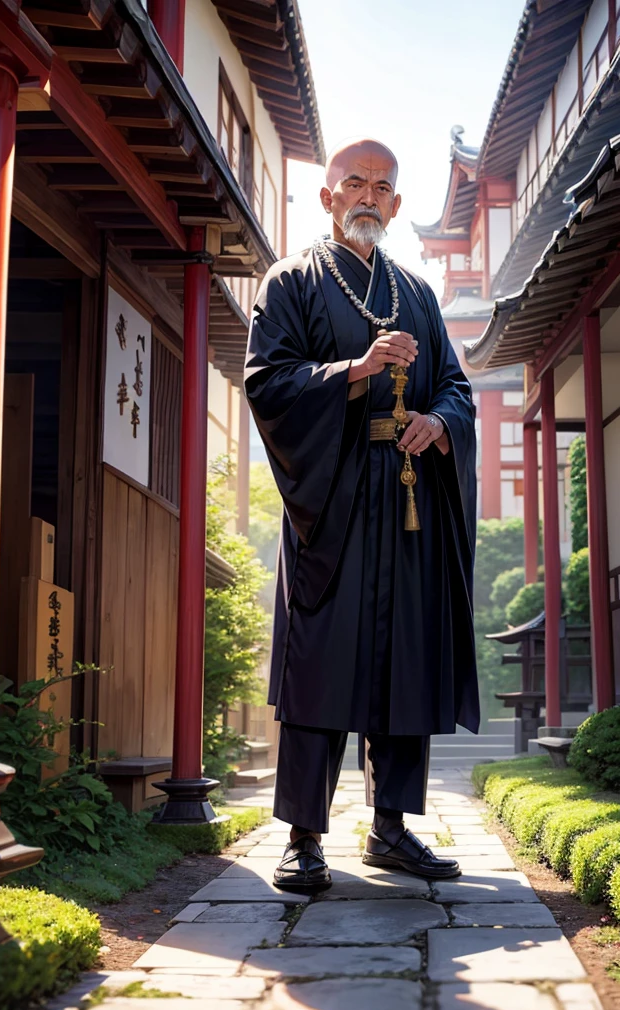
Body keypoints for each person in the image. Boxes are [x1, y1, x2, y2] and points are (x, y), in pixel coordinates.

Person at [244, 138, 479, 892]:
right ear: (328, 196)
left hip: (408, 497)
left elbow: (459, 388)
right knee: (321, 661)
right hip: (332, 500)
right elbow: (267, 382)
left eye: (382, 186)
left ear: (398, 204)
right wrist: (356, 370)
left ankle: (391, 829)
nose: (368, 196)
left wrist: (440, 424)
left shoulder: (418, 293)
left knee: (402, 659)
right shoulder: (293, 282)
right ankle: (304, 838)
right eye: (354, 183)